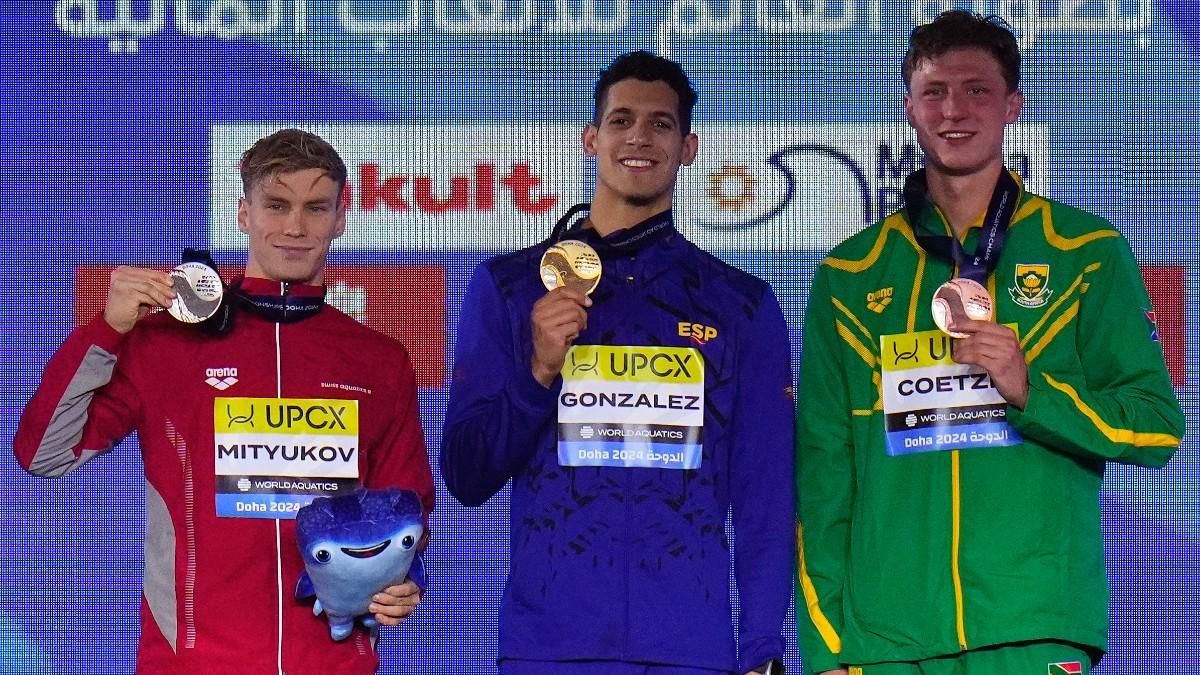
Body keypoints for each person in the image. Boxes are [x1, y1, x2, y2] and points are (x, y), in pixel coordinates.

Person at [794, 11, 1185, 675]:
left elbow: (1155, 427)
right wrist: (828, 645)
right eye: (936, 91)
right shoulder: (849, 275)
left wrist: (1033, 389)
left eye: (977, 90)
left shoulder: (1086, 251)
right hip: (885, 640)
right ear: (909, 107)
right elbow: (823, 477)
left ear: (1013, 106)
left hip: (1032, 625)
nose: (955, 110)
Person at [13, 128, 435, 673]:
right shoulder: (164, 344)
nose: (294, 226)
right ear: (243, 213)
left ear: (340, 217)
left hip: (333, 664)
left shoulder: (379, 360)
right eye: (276, 205)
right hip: (193, 663)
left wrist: (404, 584)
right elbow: (44, 452)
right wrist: (108, 328)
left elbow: (408, 511)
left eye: (315, 207)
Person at [440, 51, 795, 675]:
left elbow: (765, 497)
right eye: (621, 120)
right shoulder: (511, 287)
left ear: (688, 147)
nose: (639, 137)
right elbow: (467, 476)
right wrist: (539, 372)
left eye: (660, 124)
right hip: (548, 649)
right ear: (590, 139)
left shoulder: (739, 305)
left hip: (693, 651)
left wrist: (763, 645)